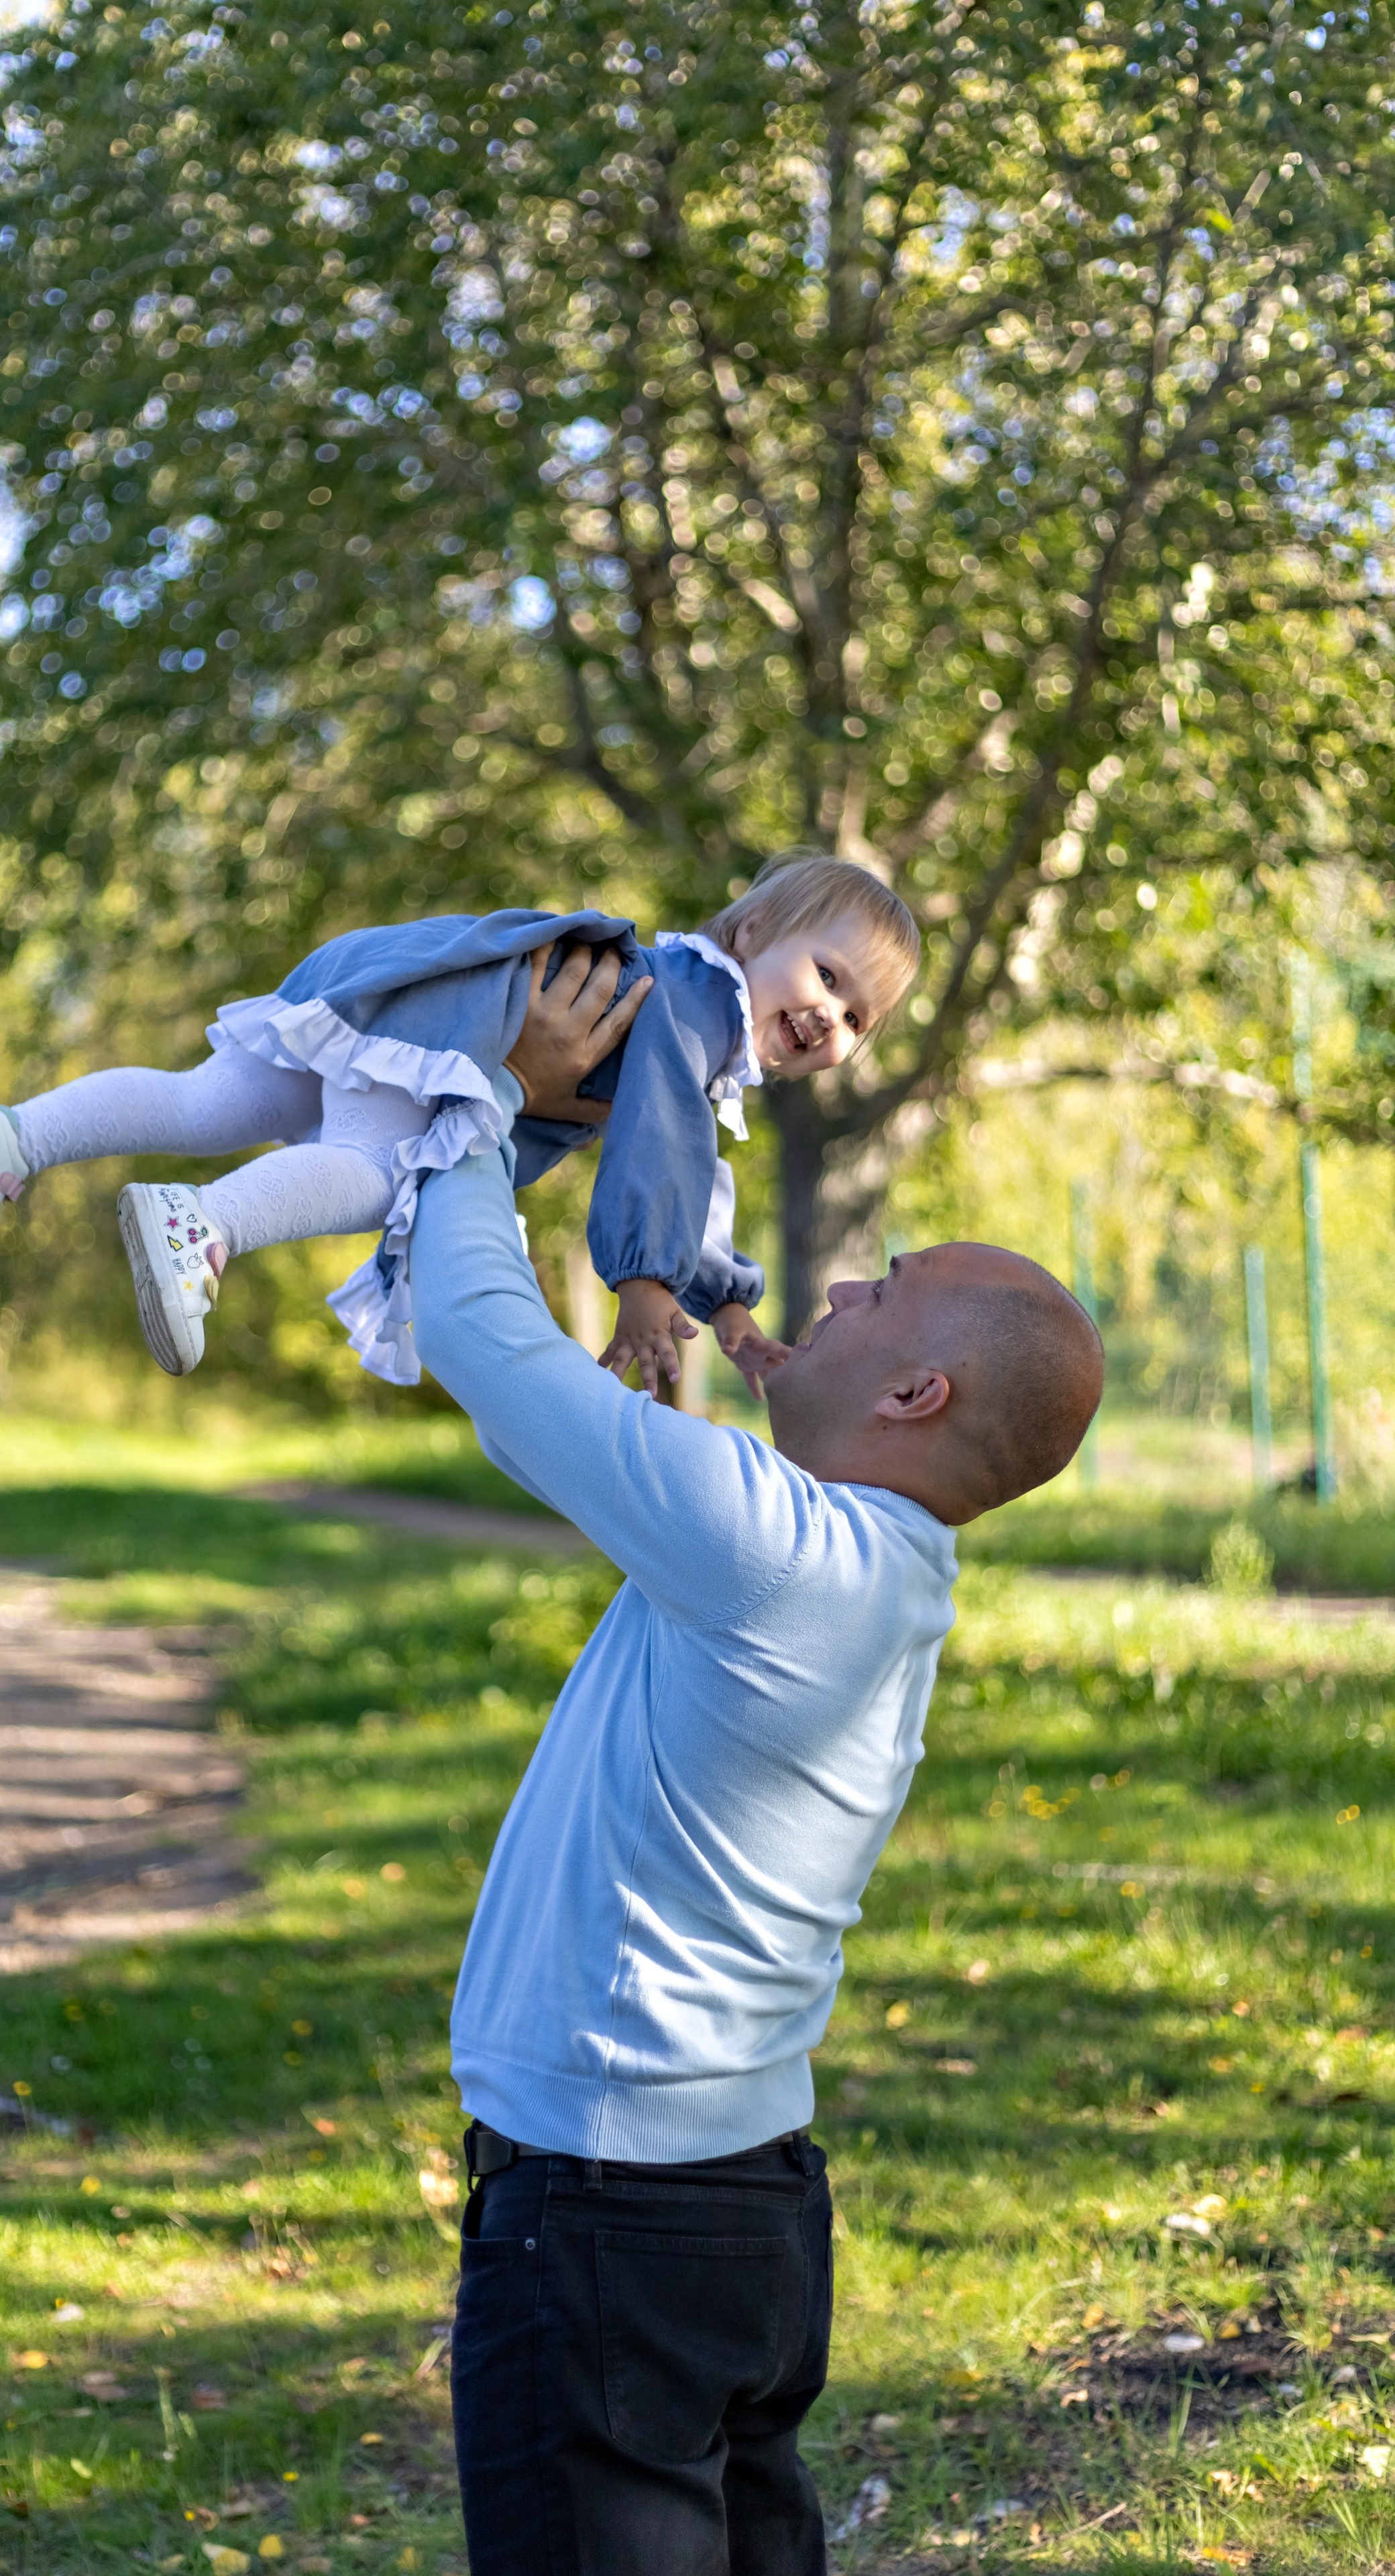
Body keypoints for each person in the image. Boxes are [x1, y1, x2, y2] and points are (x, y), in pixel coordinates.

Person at [408, 963, 1105, 2576]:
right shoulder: (867, 1573)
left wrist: (479, 1099)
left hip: (612, 2218)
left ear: (914, 1395)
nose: (834, 1296)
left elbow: (482, 1344)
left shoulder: (782, 1549)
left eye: (881, 1296)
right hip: (732, 2212)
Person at [0, 853, 917, 1393]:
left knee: (211, 1100)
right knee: (379, 1168)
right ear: (749, 935)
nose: (830, 1015)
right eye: (826, 975)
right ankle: (201, 1226)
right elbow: (663, 1147)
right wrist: (645, 1290)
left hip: (399, 987)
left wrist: (730, 1309)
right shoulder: (699, 1001)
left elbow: (696, 1176)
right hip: (455, 1040)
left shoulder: (704, 1030)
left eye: (858, 1017)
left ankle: (12, 1136)